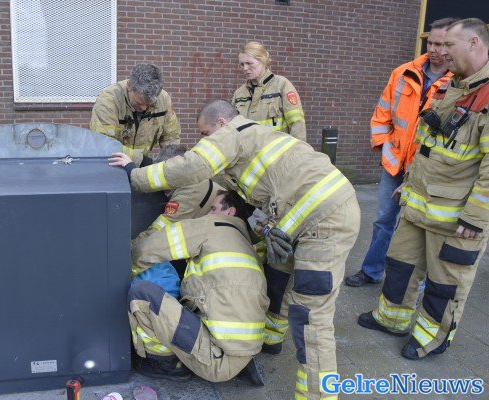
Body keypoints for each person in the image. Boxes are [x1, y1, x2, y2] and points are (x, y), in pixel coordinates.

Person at [110, 100, 360, 400]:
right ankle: (267, 343)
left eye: (205, 133)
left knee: (311, 317)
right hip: (311, 216)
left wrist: (134, 175)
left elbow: (192, 165)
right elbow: (255, 196)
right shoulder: (250, 147)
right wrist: (269, 228)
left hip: (323, 223)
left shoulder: (233, 133)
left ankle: (318, 396)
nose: (203, 141)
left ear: (221, 123)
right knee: (278, 276)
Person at [358, 18, 489, 360]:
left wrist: (476, 218)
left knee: (445, 282)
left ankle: (431, 338)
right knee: (400, 264)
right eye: (439, 46)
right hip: (417, 203)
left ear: (474, 43)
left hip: (456, 219)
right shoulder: (452, 86)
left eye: (450, 46)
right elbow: (427, 144)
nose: (442, 53)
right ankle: (391, 319)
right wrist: (408, 183)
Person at [345, 18, 456, 287]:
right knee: (383, 221)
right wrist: (384, 146)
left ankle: (412, 285)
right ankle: (371, 271)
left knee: (419, 227)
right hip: (394, 165)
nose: (435, 49)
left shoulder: (459, 82)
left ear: (452, 45)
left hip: (427, 171)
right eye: (431, 42)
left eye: (442, 44)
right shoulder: (403, 72)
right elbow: (382, 113)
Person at [128, 190, 269, 385]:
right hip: (244, 354)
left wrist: (120, 275)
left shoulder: (213, 225)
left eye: (213, 208)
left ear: (230, 212)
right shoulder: (248, 249)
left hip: (215, 358)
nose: (208, 213)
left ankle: (165, 363)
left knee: (142, 294)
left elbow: (146, 249)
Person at [90, 63, 181, 164]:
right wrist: (143, 162)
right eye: (139, 102)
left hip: (140, 166)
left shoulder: (163, 99)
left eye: (149, 104)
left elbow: (171, 137)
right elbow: (106, 145)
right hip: (112, 165)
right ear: (129, 86)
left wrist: (170, 164)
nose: (144, 108)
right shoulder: (107, 102)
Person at [133, 144, 223, 242]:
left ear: (175, 174)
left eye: (164, 177)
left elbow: (160, 231)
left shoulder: (189, 194)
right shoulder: (193, 178)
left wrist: (131, 245)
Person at [231, 41, 307, 141]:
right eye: (242, 64)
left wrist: (297, 150)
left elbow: (297, 125)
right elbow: (231, 129)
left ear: (262, 61)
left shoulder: (282, 85)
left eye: (249, 63)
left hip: (278, 150)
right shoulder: (239, 94)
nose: (245, 68)